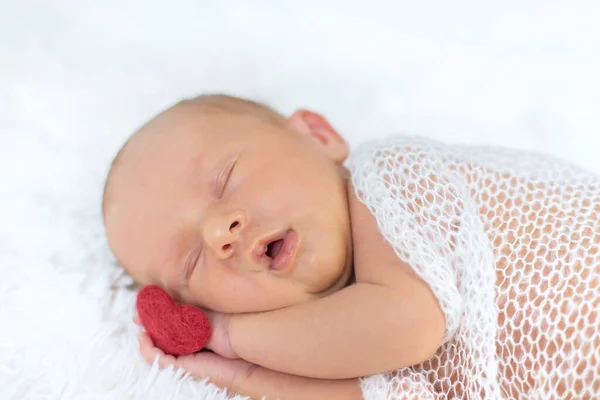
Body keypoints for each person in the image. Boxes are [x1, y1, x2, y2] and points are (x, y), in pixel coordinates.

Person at [103, 94, 600, 399]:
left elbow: (406, 324)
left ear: (318, 136)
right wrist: (237, 375)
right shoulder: (357, 340)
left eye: (224, 178)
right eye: (192, 264)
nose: (220, 233)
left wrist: (226, 335)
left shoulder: (390, 174)